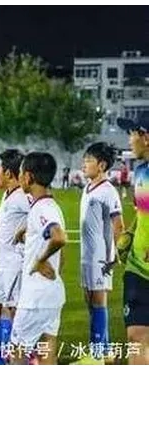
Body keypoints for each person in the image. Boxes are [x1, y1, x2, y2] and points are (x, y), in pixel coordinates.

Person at [69, 142, 124, 365]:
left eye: (89, 160)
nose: (84, 164)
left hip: (101, 256)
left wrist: (116, 252)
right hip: (87, 255)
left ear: (101, 165)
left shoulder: (108, 190)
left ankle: (97, 355)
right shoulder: (88, 188)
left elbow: (118, 224)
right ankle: (105, 351)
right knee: (90, 301)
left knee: (98, 302)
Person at [10, 152, 67, 365]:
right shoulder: (49, 206)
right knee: (46, 352)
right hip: (52, 293)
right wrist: (27, 233)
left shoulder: (42, 208)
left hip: (35, 298)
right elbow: (60, 251)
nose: (19, 177)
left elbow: (59, 237)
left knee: (16, 354)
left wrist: (40, 260)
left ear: (29, 177)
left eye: (21, 172)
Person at [0, 149, 30, 365]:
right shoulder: (8, 194)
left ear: (9, 173)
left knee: (14, 313)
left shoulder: (22, 196)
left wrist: (26, 230)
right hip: (2, 267)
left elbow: (42, 213)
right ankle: (0, 360)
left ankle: (24, 358)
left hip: (15, 265)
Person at [116, 112, 149, 364]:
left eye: (132, 134)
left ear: (145, 137)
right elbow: (142, 211)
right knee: (136, 336)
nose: (129, 140)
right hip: (138, 268)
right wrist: (129, 234)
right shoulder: (140, 172)